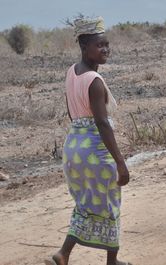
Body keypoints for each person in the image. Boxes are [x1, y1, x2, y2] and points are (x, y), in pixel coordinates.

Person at [45, 17, 131, 265]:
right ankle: (112, 262)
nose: (105, 50)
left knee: (85, 204)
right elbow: (102, 124)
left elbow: (72, 113)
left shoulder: (71, 72)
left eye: (107, 45)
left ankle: (63, 254)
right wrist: (120, 162)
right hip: (95, 151)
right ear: (84, 46)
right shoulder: (94, 80)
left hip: (73, 148)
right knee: (110, 205)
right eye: (99, 45)